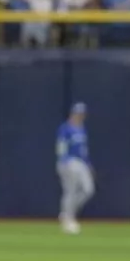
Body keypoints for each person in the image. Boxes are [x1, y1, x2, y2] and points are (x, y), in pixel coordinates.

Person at [56, 101, 93, 235]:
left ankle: (67, 213)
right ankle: (68, 219)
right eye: (78, 113)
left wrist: (88, 164)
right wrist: (63, 161)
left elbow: (83, 149)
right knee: (70, 191)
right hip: (69, 161)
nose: (80, 116)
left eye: (82, 114)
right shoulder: (65, 128)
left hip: (81, 163)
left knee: (88, 190)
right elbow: (61, 146)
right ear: (73, 113)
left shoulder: (82, 128)